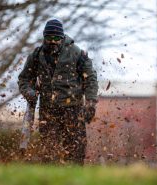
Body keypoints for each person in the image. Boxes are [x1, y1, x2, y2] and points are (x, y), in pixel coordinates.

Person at [18, 19, 99, 164]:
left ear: (62, 38)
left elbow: (90, 78)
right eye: (49, 38)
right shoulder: (36, 56)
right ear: (44, 38)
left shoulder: (76, 53)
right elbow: (24, 79)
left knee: (76, 152)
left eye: (57, 38)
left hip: (73, 110)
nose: (53, 42)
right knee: (48, 152)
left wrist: (91, 102)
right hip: (48, 111)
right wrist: (29, 92)